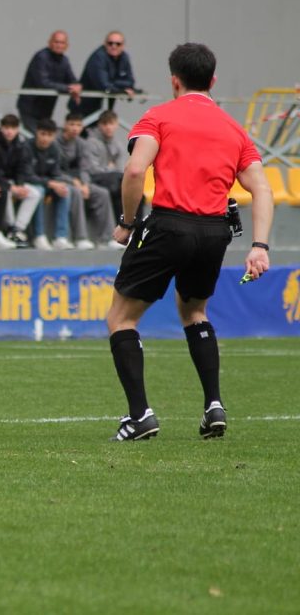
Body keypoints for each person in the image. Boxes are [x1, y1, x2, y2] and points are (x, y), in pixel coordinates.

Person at [106, 42, 272, 441]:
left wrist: (128, 222)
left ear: (174, 81)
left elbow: (134, 171)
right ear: (213, 81)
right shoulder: (234, 129)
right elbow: (262, 189)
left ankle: (140, 416)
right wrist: (260, 246)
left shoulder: (159, 117)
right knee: (195, 311)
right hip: (214, 233)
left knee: (121, 319)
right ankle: (213, 405)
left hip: (169, 225)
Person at [56, 112, 117, 247]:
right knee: (76, 192)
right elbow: (55, 171)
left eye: (78, 125)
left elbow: (84, 168)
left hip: (79, 182)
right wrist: (74, 182)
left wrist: (85, 184)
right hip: (60, 181)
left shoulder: (82, 143)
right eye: (72, 124)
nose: (75, 128)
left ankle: (107, 238)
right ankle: (80, 238)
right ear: (65, 125)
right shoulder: (55, 142)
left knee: (102, 193)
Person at [0, 114, 40, 248]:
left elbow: (22, 167)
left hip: (13, 181)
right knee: (5, 192)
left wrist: (20, 185)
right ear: (1, 128)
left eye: (13, 128)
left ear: (18, 129)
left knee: (35, 193)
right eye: (6, 128)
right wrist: (10, 186)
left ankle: (18, 228)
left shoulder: (20, 145)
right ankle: (10, 227)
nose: (9, 132)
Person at [25, 118, 78, 250]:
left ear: (54, 136)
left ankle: (61, 236)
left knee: (65, 190)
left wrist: (59, 184)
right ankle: (39, 235)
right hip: (30, 184)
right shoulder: (26, 147)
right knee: (39, 191)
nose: (45, 138)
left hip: (47, 184)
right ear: (37, 132)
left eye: (49, 135)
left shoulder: (54, 148)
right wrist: (51, 183)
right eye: (42, 134)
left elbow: (56, 173)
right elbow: (27, 175)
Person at [16, 30, 81, 134]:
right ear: (49, 43)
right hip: (30, 107)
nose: (59, 45)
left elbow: (72, 80)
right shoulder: (41, 57)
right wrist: (68, 88)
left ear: (67, 46)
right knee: (37, 137)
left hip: (46, 109)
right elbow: (43, 83)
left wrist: (77, 87)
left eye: (62, 43)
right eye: (56, 42)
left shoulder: (64, 60)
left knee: (45, 137)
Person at [71, 31, 137, 121]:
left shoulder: (124, 57)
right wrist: (122, 89)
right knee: (78, 127)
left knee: (107, 125)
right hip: (83, 104)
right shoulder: (98, 57)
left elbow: (130, 82)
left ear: (123, 46)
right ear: (105, 43)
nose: (114, 46)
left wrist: (114, 84)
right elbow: (103, 85)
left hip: (102, 107)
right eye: (110, 43)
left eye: (118, 44)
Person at [83, 110, 129, 220]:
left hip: (113, 179)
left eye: (111, 123)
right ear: (99, 125)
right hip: (94, 179)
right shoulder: (91, 142)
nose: (108, 127)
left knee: (133, 190)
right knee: (116, 186)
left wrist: (111, 169)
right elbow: (93, 170)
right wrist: (109, 168)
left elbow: (120, 169)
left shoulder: (118, 145)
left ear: (116, 124)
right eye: (105, 124)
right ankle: (119, 223)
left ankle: (134, 226)